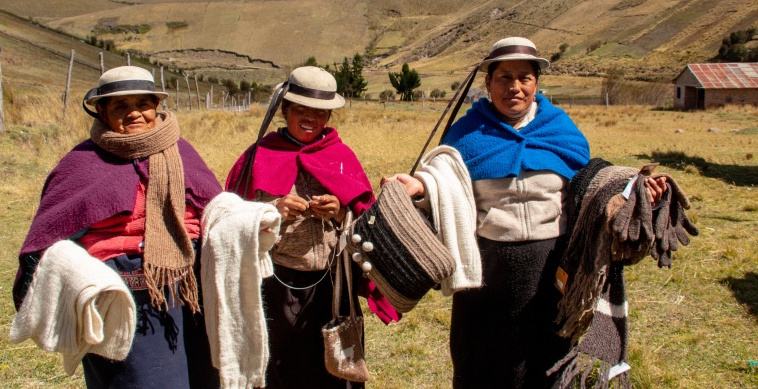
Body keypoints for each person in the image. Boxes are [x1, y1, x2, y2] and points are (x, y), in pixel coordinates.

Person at [383, 37, 667, 388]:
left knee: (544, 363)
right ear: (488, 82)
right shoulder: (467, 134)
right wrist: (420, 187)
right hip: (485, 273)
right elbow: (444, 178)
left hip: (550, 270)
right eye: (504, 77)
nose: (514, 87)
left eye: (524, 78)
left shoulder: (560, 130)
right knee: (483, 364)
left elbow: (590, 184)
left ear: (536, 83)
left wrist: (634, 192)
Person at [12, 66, 223, 388]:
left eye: (142, 103)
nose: (135, 113)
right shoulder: (82, 163)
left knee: (201, 375)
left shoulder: (183, 153)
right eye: (120, 106)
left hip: (191, 291)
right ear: (102, 112)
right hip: (120, 297)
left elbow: (214, 207)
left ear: (157, 106)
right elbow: (48, 234)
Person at [226, 66, 393, 388]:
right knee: (282, 363)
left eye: (319, 112)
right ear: (285, 110)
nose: (310, 118)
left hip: (333, 282)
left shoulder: (341, 156)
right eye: (300, 109)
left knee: (335, 364)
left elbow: (366, 220)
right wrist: (272, 209)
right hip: (276, 282)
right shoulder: (259, 155)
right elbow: (229, 215)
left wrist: (340, 211)